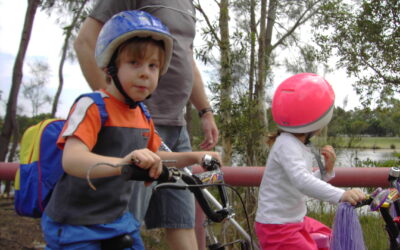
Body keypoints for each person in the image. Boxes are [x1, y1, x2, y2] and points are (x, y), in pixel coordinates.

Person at [41, 10, 220, 249]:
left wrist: (194, 157)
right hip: (76, 224)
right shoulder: (93, 106)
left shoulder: (141, 114)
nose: (145, 72)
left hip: (116, 220)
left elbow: (158, 156)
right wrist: (123, 164)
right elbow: (72, 160)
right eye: (134, 63)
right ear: (109, 68)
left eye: (153, 65)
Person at [255, 73, 365, 250]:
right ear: (317, 120)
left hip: (293, 221)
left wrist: (325, 171)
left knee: (331, 237)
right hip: (278, 227)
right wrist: (341, 195)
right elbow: (302, 181)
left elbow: (302, 179)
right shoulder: (287, 144)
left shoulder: (293, 142)